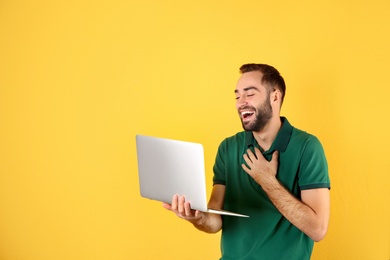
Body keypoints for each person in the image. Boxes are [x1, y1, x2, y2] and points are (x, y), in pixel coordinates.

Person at [162, 63, 331, 259]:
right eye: (237, 96)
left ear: (275, 96)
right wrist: (198, 217)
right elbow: (216, 218)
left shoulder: (307, 147)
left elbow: (318, 230)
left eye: (249, 94)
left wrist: (267, 180)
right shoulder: (228, 148)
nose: (240, 102)